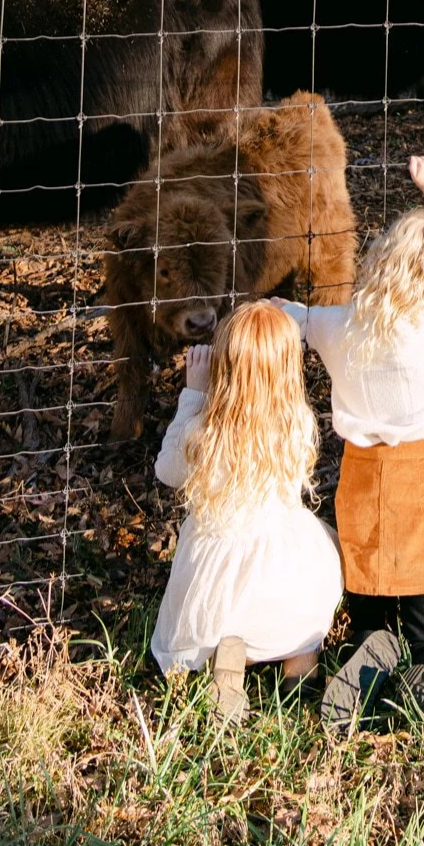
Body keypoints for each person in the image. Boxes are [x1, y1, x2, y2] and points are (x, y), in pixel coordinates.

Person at [277, 153, 424, 733]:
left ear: (381, 261)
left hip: (363, 478)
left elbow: (298, 318)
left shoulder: (345, 327)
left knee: (368, 596)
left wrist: (257, 308)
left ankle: (370, 647)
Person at [150, 300, 344, 726]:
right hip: (287, 586)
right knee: (309, 592)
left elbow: (166, 471)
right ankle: (300, 660)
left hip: (220, 593)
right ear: (287, 369)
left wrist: (194, 395)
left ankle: (230, 660)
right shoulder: (296, 424)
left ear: (223, 365)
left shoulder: (205, 435)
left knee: (226, 621)